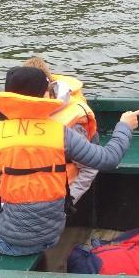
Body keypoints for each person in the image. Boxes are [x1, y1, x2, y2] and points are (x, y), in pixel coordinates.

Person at [0, 66, 139, 256]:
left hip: (12, 241)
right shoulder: (60, 132)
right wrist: (124, 126)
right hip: (52, 233)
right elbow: (109, 158)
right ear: (44, 95)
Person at [24, 55, 99, 203]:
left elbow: (89, 169)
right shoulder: (22, 110)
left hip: (62, 194)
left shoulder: (73, 124)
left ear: (48, 89)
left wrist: (68, 202)